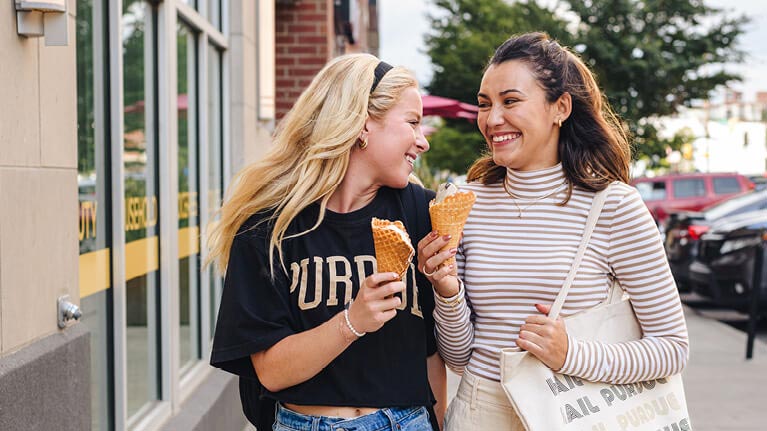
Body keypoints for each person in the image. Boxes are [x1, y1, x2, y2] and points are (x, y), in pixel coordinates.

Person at [417, 32, 689, 430]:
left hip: (573, 411)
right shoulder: (462, 204)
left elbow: (672, 348)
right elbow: (459, 358)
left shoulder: (613, 206)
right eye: (484, 104)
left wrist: (571, 355)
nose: (493, 120)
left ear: (559, 107)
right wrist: (447, 292)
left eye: (510, 101)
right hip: (479, 412)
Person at [208, 53, 446, 431]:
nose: (423, 142)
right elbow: (269, 371)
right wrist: (353, 321)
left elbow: (434, 354)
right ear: (363, 124)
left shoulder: (423, 214)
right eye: (412, 123)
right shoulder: (269, 226)